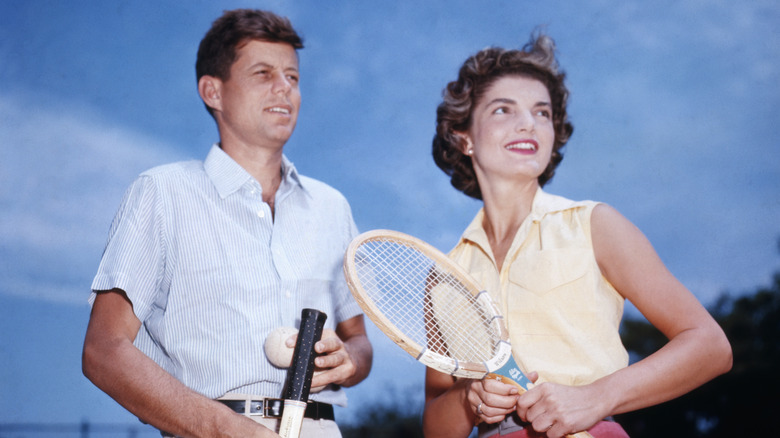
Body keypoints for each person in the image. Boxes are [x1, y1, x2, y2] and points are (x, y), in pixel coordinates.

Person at [422, 33, 732, 438]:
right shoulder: (443, 277)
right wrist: (469, 398)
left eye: (542, 113)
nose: (527, 123)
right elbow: (434, 427)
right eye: (503, 109)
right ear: (463, 137)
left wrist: (597, 397)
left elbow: (710, 345)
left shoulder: (595, 225)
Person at [82, 9, 372, 438]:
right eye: (263, 73)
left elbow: (359, 343)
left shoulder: (333, 206)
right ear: (212, 91)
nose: (284, 88)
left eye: (293, 77)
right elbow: (104, 350)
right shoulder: (162, 193)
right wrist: (227, 429)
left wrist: (348, 361)